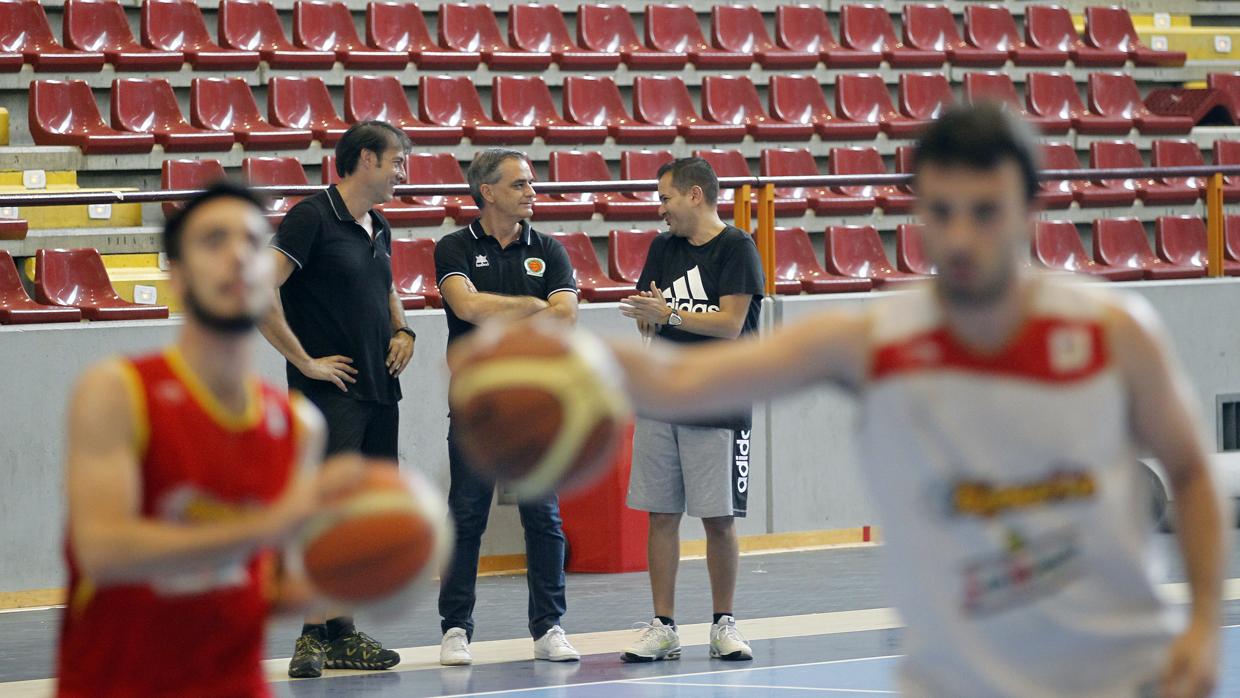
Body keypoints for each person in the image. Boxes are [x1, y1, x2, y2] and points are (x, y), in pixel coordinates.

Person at [605, 105, 1222, 696]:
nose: (960, 235)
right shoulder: (878, 340)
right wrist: (562, 369)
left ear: (1028, 207)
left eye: (985, 211)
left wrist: (1201, 622)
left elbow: (1193, 473)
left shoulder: (1112, 331)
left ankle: (721, 616)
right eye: (941, 210)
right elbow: (677, 382)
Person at [56, 182, 363, 697]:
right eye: (214, 241)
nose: (238, 257)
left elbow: (271, 586)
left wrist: (370, 562)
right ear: (176, 274)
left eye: (250, 241)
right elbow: (102, 550)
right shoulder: (118, 391)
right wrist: (267, 526)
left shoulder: (297, 426)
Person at [260, 121, 414, 677]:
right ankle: (311, 634)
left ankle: (341, 632)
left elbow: (387, 289)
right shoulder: (312, 217)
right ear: (366, 159)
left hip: (379, 391)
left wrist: (404, 332)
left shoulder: (380, 226)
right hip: (332, 394)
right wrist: (304, 361)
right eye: (397, 161)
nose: (402, 172)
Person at [434, 148, 581, 666]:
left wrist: (520, 309)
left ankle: (549, 627)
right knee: (466, 515)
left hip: (534, 404)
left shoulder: (550, 248)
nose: (532, 192)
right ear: (488, 191)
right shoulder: (453, 246)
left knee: (544, 518)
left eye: (532, 183)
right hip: (477, 404)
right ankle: (455, 628)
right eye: (520, 184)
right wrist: (535, 306)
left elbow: (566, 317)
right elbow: (466, 306)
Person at [616, 157, 763, 663]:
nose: (661, 210)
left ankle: (724, 622)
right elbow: (649, 310)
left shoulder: (737, 247)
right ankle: (664, 625)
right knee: (661, 515)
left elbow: (730, 323)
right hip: (664, 397)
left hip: (718, 399)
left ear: (695, 195)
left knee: (719, 518)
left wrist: (670, 314)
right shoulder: (663, 247)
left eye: (666, 198)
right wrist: (647, 318)